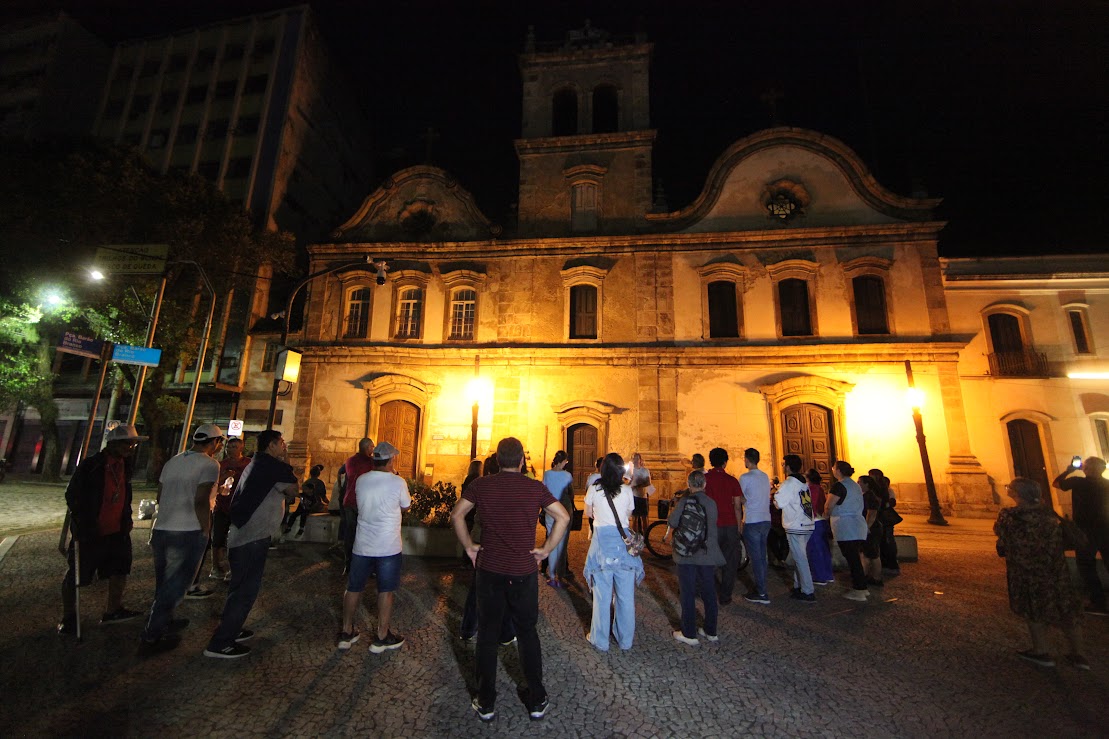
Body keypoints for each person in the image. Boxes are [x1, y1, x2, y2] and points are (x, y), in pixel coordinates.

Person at [450, 437, 570, 723]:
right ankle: (537, 698)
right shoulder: (534, 487)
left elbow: (457, 514)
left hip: (489, 570)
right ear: (521, 461)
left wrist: (469, 546)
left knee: (488, 634)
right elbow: (563, 518)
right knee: (527, 632)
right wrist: (546, 550)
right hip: (523, 570)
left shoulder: (481, 485)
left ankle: (486, 700)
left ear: (497, 460)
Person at [204, 429, 298, 658]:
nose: (284, 447)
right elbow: (293, 491)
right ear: (271, 446)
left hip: (244, 534)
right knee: (245, 589)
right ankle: (221, 643)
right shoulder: (271, 466)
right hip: (251, 537)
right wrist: (287, 463)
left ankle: (231, 628)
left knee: (240, 587)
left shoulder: (258, 462)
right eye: (281, 443)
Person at [139, 424, 224, 653]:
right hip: (188, 529)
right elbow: (201, 499)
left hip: (162, 528)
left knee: (164, 581)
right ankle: (152, 633)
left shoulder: (173, 461)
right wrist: (205, 529)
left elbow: (160, 495)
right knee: (179, 583)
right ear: (214, 443)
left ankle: (164, 620)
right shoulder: (210, 464)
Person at [58, 425, 147, 636]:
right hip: (91, 532)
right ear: (114, 443)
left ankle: (113, 610)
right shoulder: (92, 465)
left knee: (120, 570)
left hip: (118, 530)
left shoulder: (125, 465)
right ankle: (69, 616)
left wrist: (126, 518)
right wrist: (85, 521)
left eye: (133, 443)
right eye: (128, 443)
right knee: (77, 575)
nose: (131, 448)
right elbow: (72, 496)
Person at [995, 477, 1088, 669]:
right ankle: (1079, 655)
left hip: (1027, 569)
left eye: (1009, 488)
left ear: (1016, 494)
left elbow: (1001, 534)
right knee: (1066, 606)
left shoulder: (1010, 515)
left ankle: (1041, 651)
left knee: (1033, 606)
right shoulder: (1049, 514)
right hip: (1055, 568)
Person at [337, 442, 411, 653]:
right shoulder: (397, 482)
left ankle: (346, 631)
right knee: (385, 590)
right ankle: (382, 635)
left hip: (362, 544)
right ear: (390, 461)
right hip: (388, 545)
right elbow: (406, 505)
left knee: (353, 587)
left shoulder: (361, 480)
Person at [582, 453, 644, 651]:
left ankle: (600, 640)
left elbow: (588, 513)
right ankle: (625, 640)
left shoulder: (594, 488)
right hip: (623, 547)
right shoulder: (626, 490)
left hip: (602, 546)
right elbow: (628, 514)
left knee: (602, 597)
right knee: (625, 597)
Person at [665, 470, 724, 645]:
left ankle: (689, 633)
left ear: (689, 484)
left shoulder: (685, 501)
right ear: (704, 485)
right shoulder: (712, 503)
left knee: (687, 593)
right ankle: (710, 630)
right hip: (706, 554)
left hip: (687, 555)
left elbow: (672, 522)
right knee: (709, 592)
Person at [1052, 456, 1109, 616]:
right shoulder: (1106, 484)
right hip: (1106, 527)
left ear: (1087, 469)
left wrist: (1068, 470)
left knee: (1086, 566)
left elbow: (1056, 483)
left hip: (1085, 530)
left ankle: (1098, 603)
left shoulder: (1078, 482)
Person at [774, 454, 815, 603]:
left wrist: (775, 497)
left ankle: (808, 591)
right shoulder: (803, 482)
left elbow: (779, 503)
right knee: (800, 557)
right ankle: (799, 587)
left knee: (800, 559)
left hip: (795, 525)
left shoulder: (789, 483)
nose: (783, 467)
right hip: (807, 524)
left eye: (784, 464)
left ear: (789, 466)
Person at [827, 461, 869, 602]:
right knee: (855, 557)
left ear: (838, 470)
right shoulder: (855, 485)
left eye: (833, 468)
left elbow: (829, 505)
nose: (832, 470)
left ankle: (859, 590)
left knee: (852, 559)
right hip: (857, 524)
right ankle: (863, 587)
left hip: (846, 526)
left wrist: (825, 516)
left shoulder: (839, 486)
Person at [212, 437, 249, 581]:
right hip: (222, 505)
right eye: (229, 447)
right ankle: (216, 567)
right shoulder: (221, 465)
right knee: (218, 538)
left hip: (240, 505)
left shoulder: (248, 463)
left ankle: (233, 568)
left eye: (234, 447)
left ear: (241, 448)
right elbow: (214, 483)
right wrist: (225, 476)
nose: (231, 449)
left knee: (237, 539)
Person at [736, 448, 769, 605]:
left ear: (747, 460)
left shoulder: (745, 477)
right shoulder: (765, 476)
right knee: (762, 556)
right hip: (765, 519)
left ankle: (762, 593)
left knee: (756, 558)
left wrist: (742, 502)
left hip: (753, 520)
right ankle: (762, 587)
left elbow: (739, 497)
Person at [340, 438, 375, 574]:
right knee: (366, 534)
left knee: (350, 533)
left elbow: (341, 473)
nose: (373, 450)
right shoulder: (370, 462)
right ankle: (366, 567)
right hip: (363, 502)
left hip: (349, 501)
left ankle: (348, 564)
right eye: (372, 447)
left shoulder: (350, 460)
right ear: (367, 448)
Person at [542, 450, 574, 587]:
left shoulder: (547, 474)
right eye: (566, 461)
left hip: (550, 509)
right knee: (562, 544)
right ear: (563, 461)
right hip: (563, 510)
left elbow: (543, 490)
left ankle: (552, 576)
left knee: (552, 541)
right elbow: (570, 494)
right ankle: (560, 576)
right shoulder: (567, 475)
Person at [805, 468, 834, 585]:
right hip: (821, 521)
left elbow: (809, 506)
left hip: (814, 522)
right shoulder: (820, 488)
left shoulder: (809, 489)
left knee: (815, 550)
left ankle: (819, 576)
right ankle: (827, 574)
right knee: (824, 550)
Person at [870, 468, 901, 575]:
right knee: (885, 541)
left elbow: (891, 502)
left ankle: (890, 564)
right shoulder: (882, 489)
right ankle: (886, 563)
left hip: (882, 518)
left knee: (887, 541)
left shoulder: (883, 490)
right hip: (882, 518)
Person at [283, 464, 326, 537]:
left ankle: (295, 528)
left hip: (306, 507)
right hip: (310, 507)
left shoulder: (306, 483)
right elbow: (324, 498)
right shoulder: (320, 483)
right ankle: (292, 527)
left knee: (299, 514)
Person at [859, 474, 886, 587]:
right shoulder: (867, 495)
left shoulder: (870, 496)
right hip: (871, 528)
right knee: (869, 553)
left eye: (860, 482)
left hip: (872, 529)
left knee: (871, 554)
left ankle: (874, 577)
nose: (858, 484)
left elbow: (872, 513)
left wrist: (866, 527)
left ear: (867, 484)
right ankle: (872, 576)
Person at [628, 452, 652, 535]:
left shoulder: (645, 470)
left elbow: (648, 482)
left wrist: (638, 485)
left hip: (643, 496)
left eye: (637, 458)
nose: (635, 460)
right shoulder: (630, 471)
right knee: (634, 517)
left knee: (644, 517)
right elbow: (626, 482)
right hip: (633, 496)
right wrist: (630, 483)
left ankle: (646, 535)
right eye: (634, 458)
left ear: (640, 460)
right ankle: (635, 535)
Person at [585, 457, 603, 541]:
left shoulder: (591, 477)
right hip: (603, 503)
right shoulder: (608, 477)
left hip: (593, 503)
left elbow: (587, 489)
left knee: (592, 519)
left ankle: (594, 535)